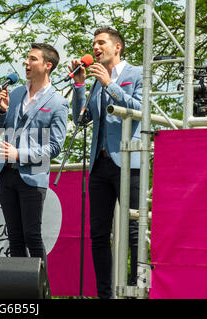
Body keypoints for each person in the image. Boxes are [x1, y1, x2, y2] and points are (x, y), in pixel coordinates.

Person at [70, 26, 142, 299]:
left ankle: (135, 290)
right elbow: (81, 119)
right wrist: (79, 86)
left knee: (134, 230)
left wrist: (110, 85)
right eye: (94, 43)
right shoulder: (97, 80)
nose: (95, 47)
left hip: (128, 160)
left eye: (101, 43)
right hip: (99, 164)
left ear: (117, 47)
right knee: (98, 234)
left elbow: (140, 110)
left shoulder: (135, 74)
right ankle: (105, 294)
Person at [0, 43, 69, 272]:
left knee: (32, 237)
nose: (26, 63)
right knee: (14, 237)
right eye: (26, 59)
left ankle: (41, 292)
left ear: (47, 65)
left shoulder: (58, 102)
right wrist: (2, 112)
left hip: (33, 177)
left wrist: (20, 155)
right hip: (6, 174)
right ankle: (19, 291)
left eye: (32, 59)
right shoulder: (15, 94)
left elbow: (55, 147)